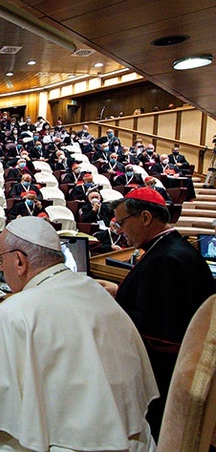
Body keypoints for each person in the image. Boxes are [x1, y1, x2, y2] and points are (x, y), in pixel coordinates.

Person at [0, 217, 158, 452]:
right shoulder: (93, 290)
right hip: (134, 440)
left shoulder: (14, 313)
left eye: (1, 258)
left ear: (20, 261)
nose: (1, 265)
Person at [104, 187, 216, 438]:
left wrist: (108, 307)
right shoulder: (171, 247)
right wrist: (119, 293)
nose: (120, 230)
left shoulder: (164, 260)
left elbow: (156, 332)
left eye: (122, 222)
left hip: (164, 377)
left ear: (145, 218)